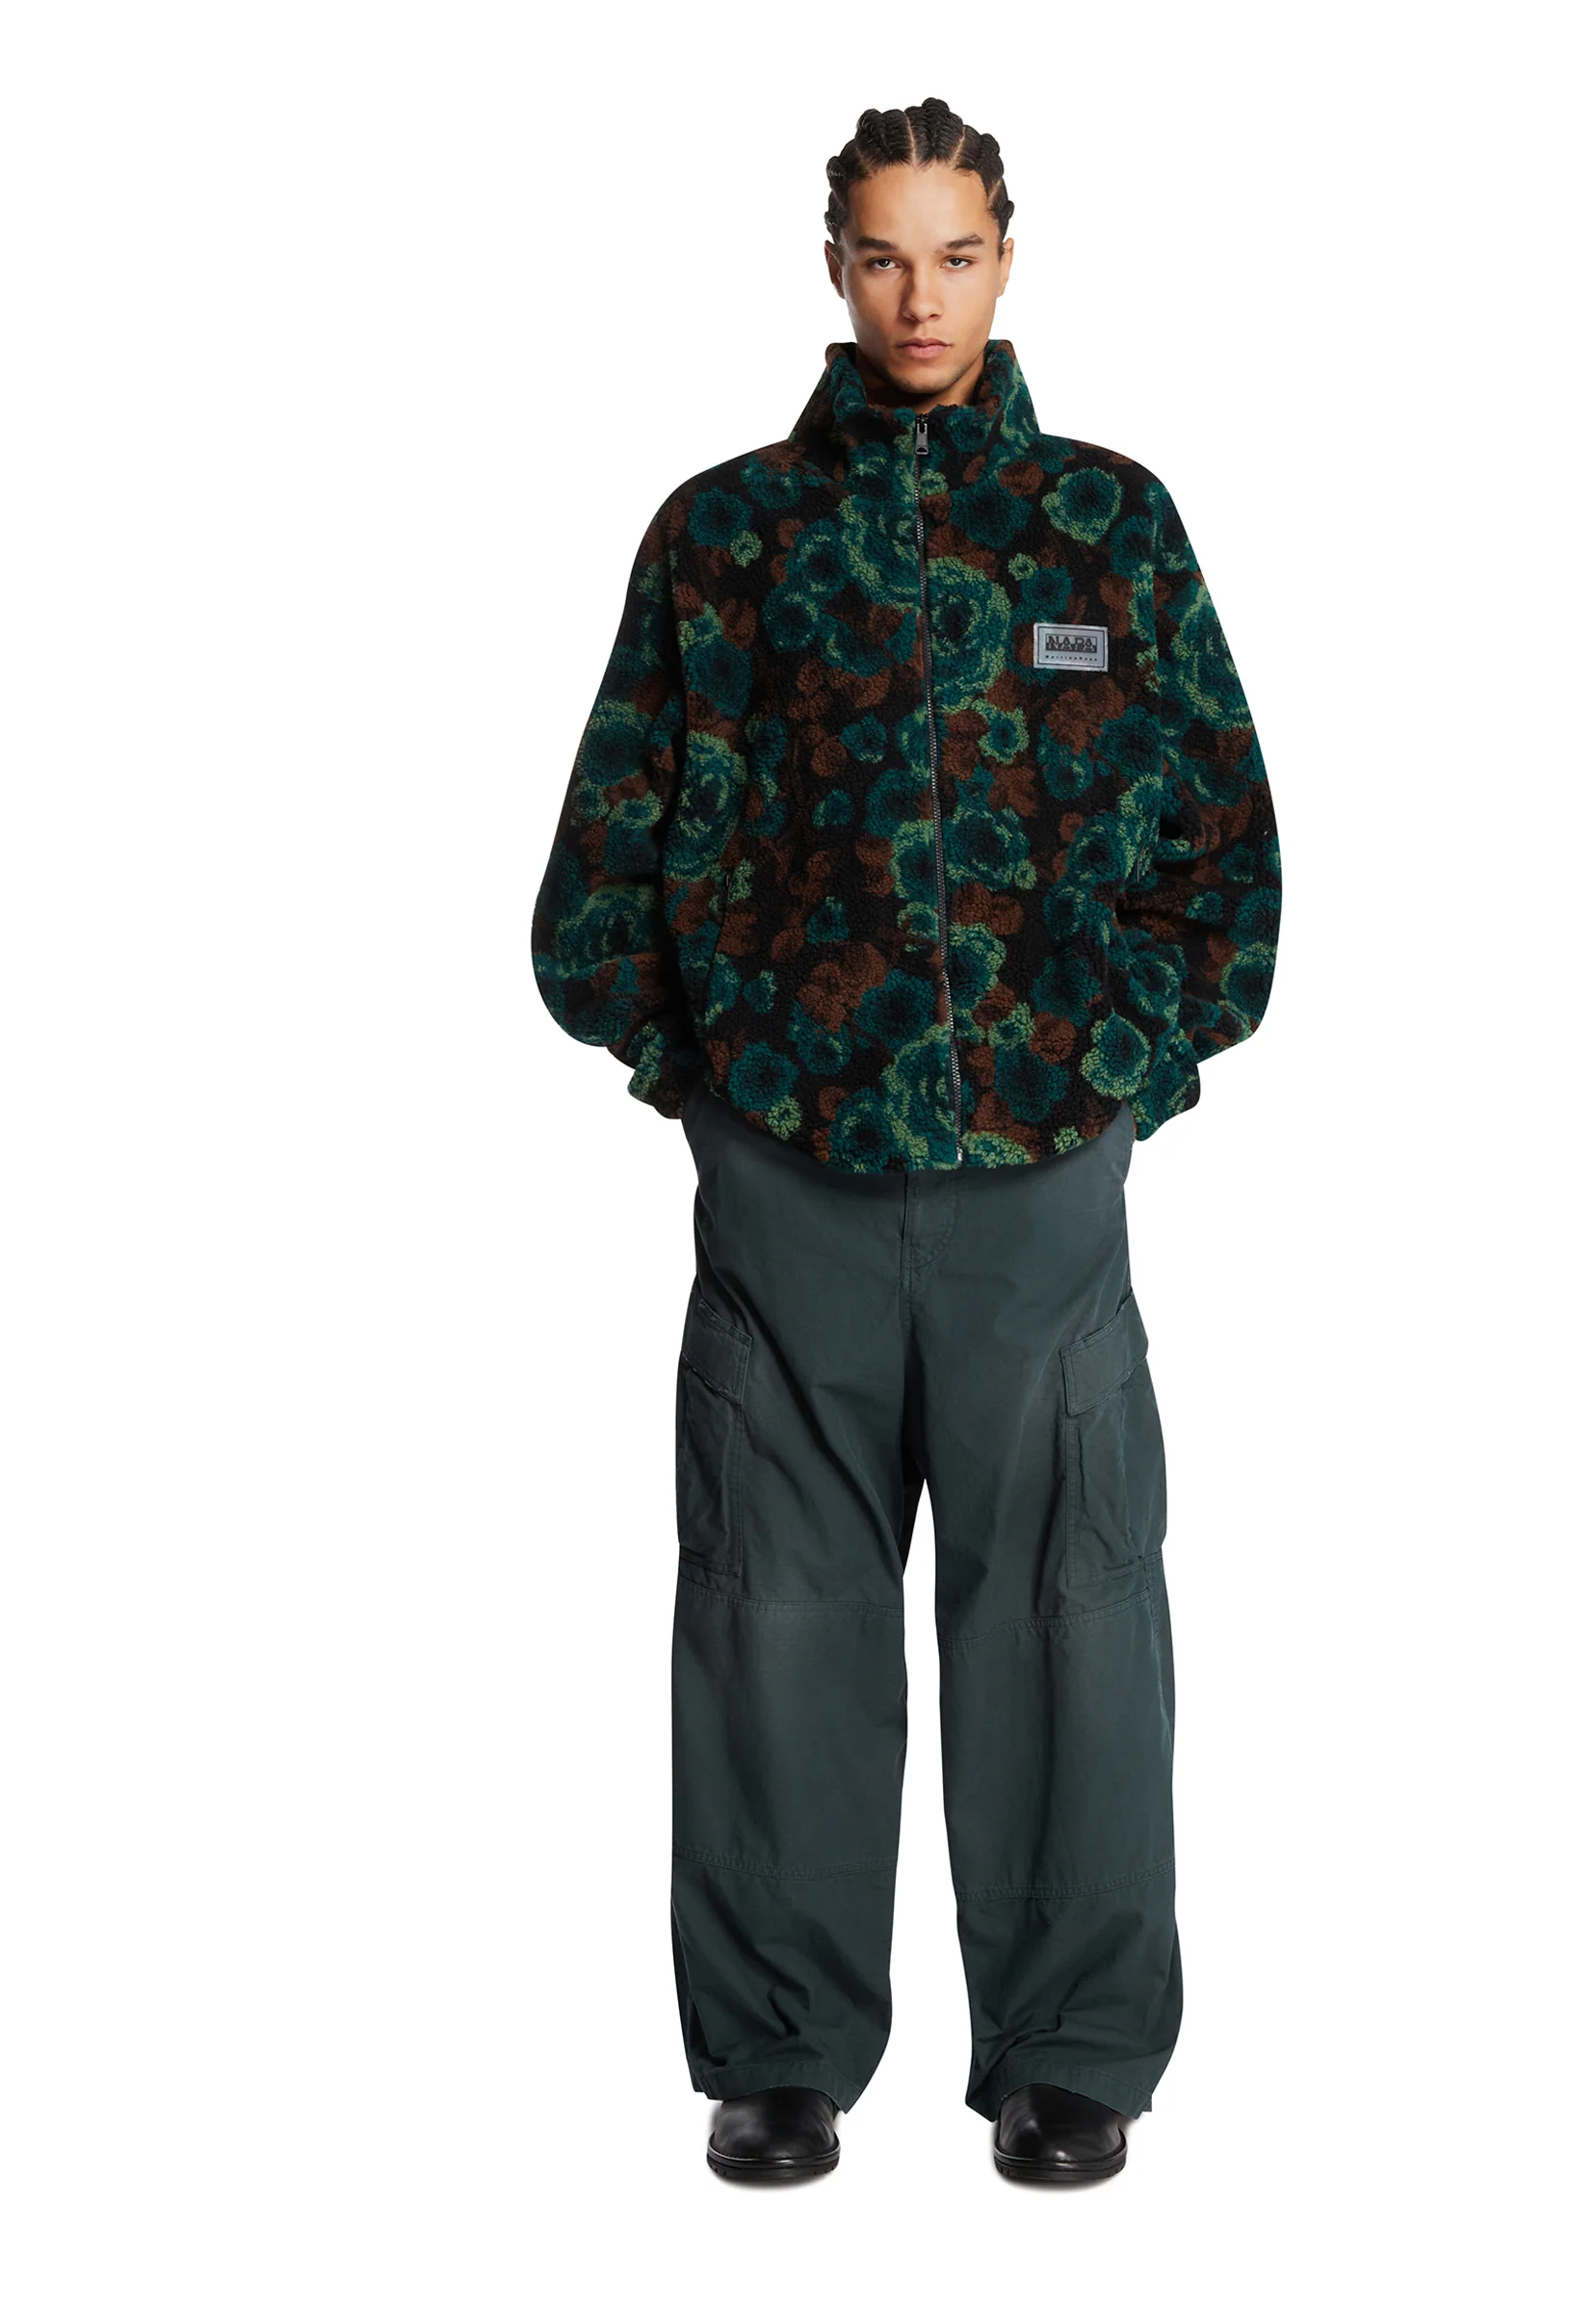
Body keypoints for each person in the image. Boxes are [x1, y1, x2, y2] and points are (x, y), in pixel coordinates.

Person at [530, 95, 1282, 2185]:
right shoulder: (728, 538)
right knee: (773, 1617)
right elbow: (599, 875)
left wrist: (1125, 1067)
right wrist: (704, 1074)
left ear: (1006, 260)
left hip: (1046, 1183)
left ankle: (1072, 2053)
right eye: (883, 255)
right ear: (836, 267)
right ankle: (778, 2054)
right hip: (790, 1183)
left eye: (955, 255)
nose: (918, 297)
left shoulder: (1108, 528)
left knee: (1071, 1613)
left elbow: (1227, 855)